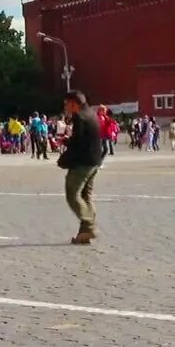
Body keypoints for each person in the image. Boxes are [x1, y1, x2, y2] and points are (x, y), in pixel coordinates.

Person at [58, 90, 104, 245]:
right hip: (95, 160)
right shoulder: (91, 113)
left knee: (72, 193)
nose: (65, 107)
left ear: (73, 103)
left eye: (66, 104)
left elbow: (78, 144)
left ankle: (90, 225)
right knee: (86, 196)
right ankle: (84, 233)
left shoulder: (79, 116)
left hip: (84, 162)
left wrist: (65, 153)